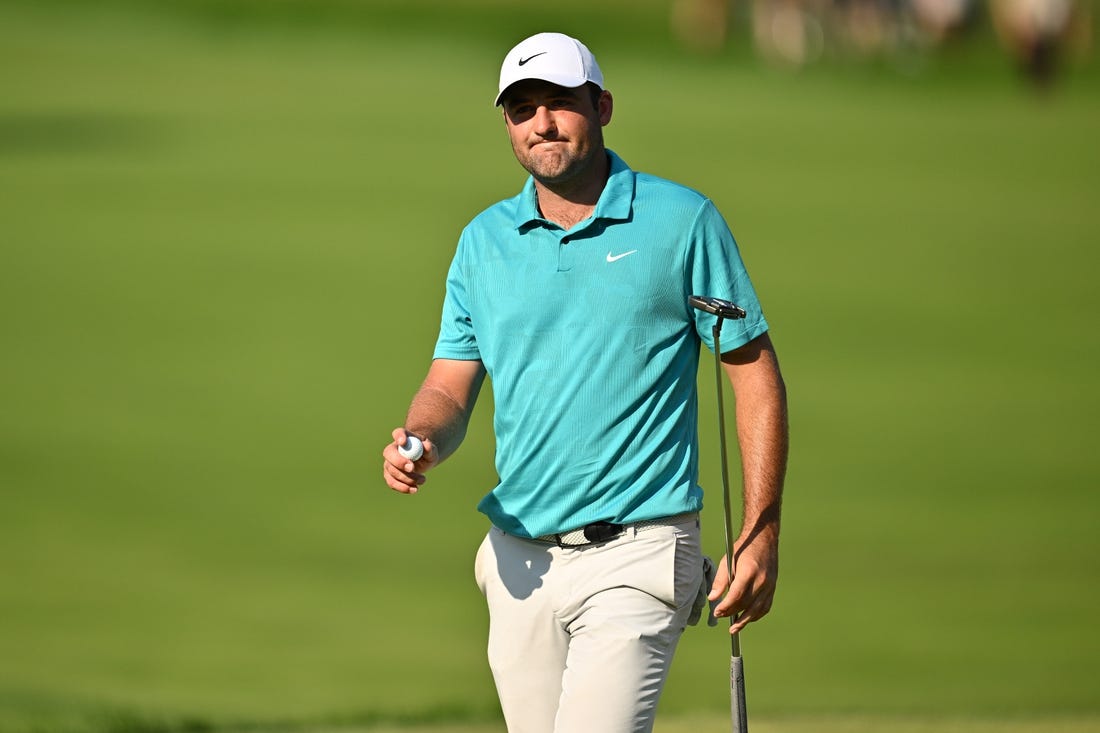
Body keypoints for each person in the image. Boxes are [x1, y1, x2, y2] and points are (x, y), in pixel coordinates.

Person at [382, 32, 788, 733]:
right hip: (518, 561)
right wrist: (420, 437)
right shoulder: (483, 242)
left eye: (560, 104)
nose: (541, 123)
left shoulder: (681, 221)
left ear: (601, 106)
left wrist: (761, 531)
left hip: (641, 550)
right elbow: (449, 386)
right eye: (521, 110)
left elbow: (752, 375)